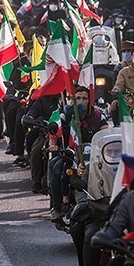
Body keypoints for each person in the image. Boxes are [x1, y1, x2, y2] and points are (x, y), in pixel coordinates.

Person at [47, 87, 109, 226]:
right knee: (56, 168)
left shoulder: (98, 114)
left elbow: (105, 133)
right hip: (71, 154)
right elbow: (55, 132)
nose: (81, 101)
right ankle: (59, 207)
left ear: (89, 100)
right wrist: (53, 145)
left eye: (84, 98)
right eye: (78, 98)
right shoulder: (65, 113)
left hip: (94, 155)